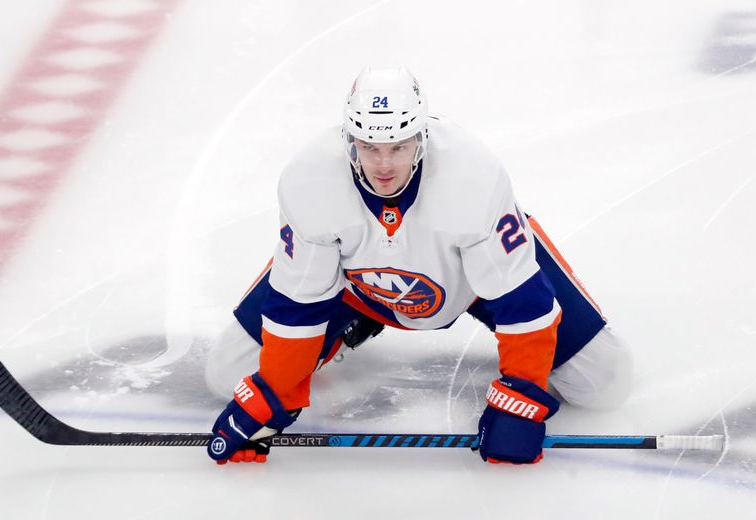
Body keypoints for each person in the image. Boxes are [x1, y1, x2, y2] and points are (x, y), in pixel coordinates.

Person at [204, 66, 633, 465]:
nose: (384, 164)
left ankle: (512, 240)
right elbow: (298, 302)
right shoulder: (309, 180)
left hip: (473, 278)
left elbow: (521, 301)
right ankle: (355, 322)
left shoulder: (473, 176)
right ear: (349, 140)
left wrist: (521, 397)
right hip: (354, 281)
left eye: (399, 146)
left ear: (422, 138)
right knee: (228, 373)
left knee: (604, 383)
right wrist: (274, 393)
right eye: (370, 147)